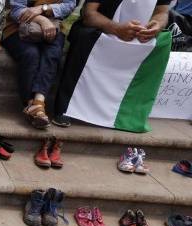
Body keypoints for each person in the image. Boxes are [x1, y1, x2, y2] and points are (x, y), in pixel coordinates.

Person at [53, 0, 171, 132]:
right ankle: (66, 109)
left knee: (163, 43)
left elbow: (162, 12)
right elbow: (89, 14)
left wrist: (157, 25)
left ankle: (129, 114)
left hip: (137, 35)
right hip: (102, 29)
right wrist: (116, 29)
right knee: (84, 37)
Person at [2, 0, 77, 129]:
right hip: (18, 27)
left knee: (52, 54)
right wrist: (42, 20)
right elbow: (16, 10)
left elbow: (69, 5)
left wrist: (44, 8)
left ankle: (38, 101)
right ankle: (34, 107)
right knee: (31, 54)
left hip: (53, 27)